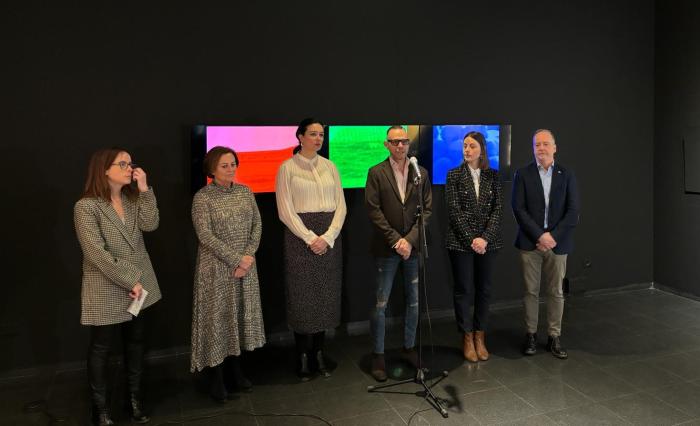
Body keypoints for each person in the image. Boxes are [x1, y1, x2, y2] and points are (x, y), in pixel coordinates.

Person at [74, 148, 161, 426]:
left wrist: (145, 188)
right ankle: (100, 410)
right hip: (107, 283)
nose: (129, 168)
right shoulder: (86, 206)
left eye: (130, 163)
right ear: (104, 170)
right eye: (121, 164)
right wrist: (129, 280)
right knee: (101, 347)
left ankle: (133, 399)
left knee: (135, 342)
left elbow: (151, 223)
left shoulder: (132, 199)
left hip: (139, 282)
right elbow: (95, 253)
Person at [190, 146, 266, 402]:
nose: (231, 169)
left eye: (233, 164)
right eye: (224, 165)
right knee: (219, 321)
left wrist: (247, 256)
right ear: (212, 169)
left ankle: (237, 371)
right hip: (217, 270)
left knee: (239, 320)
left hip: (245, 267)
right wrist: (236, 259)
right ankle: (217, 378)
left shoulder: (245, 192)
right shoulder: (203, 197)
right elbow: (205, 235)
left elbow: (257, 224)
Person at [275, 118, 346, 380]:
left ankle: (319, 352)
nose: (318, 139)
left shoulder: (331, 167)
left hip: (329, 239)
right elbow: (285, 211)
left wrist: (327, 237)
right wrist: (309, 238)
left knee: (325, 297)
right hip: (299, 240)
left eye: (321, 135)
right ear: (300, 137)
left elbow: (341, 206)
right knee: (302, 299)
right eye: (313, 134)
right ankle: (302, 356)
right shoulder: (287, 168)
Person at [365, 125, 432, 382]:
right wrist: (397, 241)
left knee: (414, 301)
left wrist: (410, 240)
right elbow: (373, 211)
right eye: (395, 142)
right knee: (380, 303)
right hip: (387, 248)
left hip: (413, 249)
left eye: (404, 141)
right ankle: (379, 355)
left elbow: (426, 210)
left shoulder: (420, 173)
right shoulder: (376, 173)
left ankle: (409, 347)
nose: (400, 146)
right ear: (386, 145)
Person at [511, 129, 580, 359]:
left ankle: (554, 336)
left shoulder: (567, 174)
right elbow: (518, 209)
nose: (541, 148)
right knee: (530, 292)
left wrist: (553, 237)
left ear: (554, 147)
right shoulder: (523, 174)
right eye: (536, 144)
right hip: (530, 244)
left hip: (558, 245)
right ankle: (530, 335)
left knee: (556, 292)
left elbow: (573, 212)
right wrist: (540, 236)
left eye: (545, 144)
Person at [445, 131, 503, 362]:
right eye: (465, 146)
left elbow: (497, 210)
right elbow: (454, 212)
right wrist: (473, 239)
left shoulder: (493, 176)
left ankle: (480, 336)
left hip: (488, 244)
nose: (467, 150)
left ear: (482, 150)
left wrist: (485, 239)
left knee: (484, 290)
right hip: (460, 243)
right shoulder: (454, 175)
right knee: (463, 290)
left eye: (472, 146)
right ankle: (467, 337)